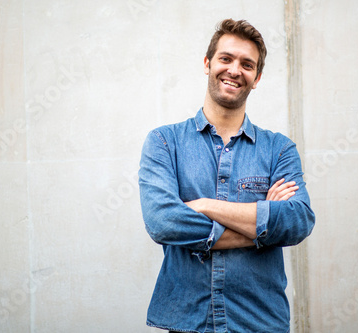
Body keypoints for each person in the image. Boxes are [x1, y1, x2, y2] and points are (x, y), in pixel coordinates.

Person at [138, 18, 315, 333]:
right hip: (188, 322)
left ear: (257, 78)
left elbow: (297, 220)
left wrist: (204, 205)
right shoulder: (165, 142)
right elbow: (163, 222)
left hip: (260, 321)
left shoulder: (279, 149)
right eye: (226, 59)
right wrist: (263, 227)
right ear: (207, 64)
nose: (235, 70)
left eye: (247, 64)